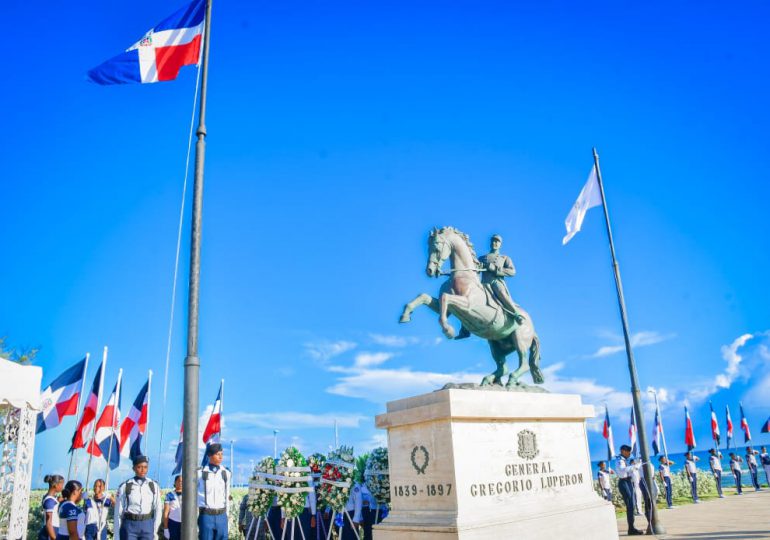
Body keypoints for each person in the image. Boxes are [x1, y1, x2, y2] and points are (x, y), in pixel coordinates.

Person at [456, 234, 522, 339]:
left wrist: (495, 269)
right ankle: (464, 330)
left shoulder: (504, 258)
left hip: (495, 282)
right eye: (493, 241)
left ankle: (516, 314)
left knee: (502, 294)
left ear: (500, 244)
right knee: (467, 298)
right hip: (483, 283)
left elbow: (512, 271)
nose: (495, 243)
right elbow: (473, 270)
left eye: (497, 242)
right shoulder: (482, 258)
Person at [115, 455, 162, 540]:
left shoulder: (153, 486)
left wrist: (155, 530)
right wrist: (116, 536)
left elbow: (158, 509)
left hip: (147, 525)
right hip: (129, 525)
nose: (143, 470)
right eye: (139, 467)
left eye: (145, 467)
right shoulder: (125, 486)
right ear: (134, 468)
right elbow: (118, 512)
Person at [197, 443, 231, 540]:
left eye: (222, 454)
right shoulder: (200, 473)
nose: (220, 457)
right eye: (217, 454)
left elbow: (227, 494)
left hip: (222, 515)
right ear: (209, 456)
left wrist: (226, 516)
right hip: (206, 515)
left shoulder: (225, 473)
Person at [616, 445, 643, 536]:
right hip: (624, 483)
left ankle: (632, 527)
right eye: (628, 452)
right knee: (630, 506)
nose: (629, 454)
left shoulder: (623, 460)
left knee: (632, 505)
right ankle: (631, 529)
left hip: (627, 482)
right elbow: (623, 470)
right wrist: (635, 466)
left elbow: (628, 471)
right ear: (623, 451)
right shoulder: (620, 460)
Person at [39, 474, 64, 540]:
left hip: (53, 530)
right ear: (56, 485)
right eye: (62, 484)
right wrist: (54, 537)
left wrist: (58, 501)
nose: (62, 487)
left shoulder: (51, 498)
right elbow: (49, 523)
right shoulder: (49, 501)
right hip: (50, 533)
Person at [163, 476, 183, 540]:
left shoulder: (188, 494)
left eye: (182, 481)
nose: (181, 483)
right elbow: (166, 512)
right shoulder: (169, 495)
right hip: (173, 523)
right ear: (175, 482)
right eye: (179, 481)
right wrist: (166, 528)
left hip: (185, 523)